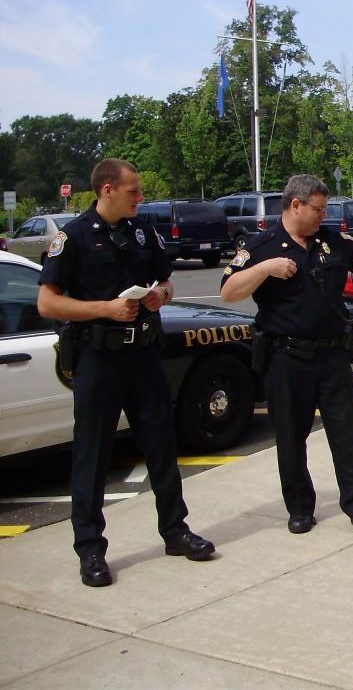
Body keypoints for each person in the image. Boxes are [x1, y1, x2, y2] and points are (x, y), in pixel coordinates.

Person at [37, 158, 215, 588]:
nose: (141, 197)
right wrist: (105, 310)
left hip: (143, 358)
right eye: (133, 190)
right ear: (107, 190)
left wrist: (160, 296)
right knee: (92, 455)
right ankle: (91, 550)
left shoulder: (141, 232)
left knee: (161, 446)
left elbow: (166, 280)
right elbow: (47, 303)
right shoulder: (74, 238)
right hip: (99, 361)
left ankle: (175, 532)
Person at [220, 174, 353, 536]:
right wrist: (265, 269)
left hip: (332, 356)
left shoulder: (331, 240)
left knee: (348, 435)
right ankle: (299, 509)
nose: (322, 216)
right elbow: (229, 290)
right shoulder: (261, 246)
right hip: (286, 359)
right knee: (291, 439)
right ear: (296, 205)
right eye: (318, 209)